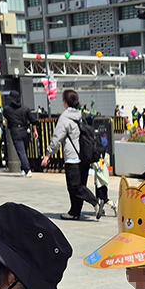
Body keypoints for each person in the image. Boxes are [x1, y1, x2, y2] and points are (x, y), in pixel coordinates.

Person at [42, 88, 99, 221]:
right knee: (80, 185)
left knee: (74, 186)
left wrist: (48, 154)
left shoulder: (65, 117)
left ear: (66, 102)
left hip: (73, 157)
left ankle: (95, 202)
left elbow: (57, 138)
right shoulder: (81, 115)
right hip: (84, 156)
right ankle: (74, 212)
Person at [2, 93, 34, 176]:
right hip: (25, 130)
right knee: (24, 151)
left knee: (21, 151)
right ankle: (23, 168)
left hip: (15, 131)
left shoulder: (7, 109)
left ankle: (27, 169)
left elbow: (5, 116)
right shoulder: (25, 108)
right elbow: (32, 120)